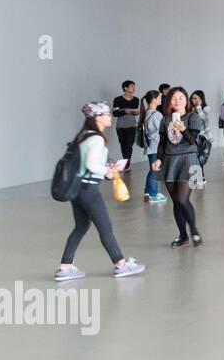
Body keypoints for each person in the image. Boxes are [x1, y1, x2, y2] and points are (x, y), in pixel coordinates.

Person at [55, 102, 146, 281]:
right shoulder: (96, 138)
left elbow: (87, 164)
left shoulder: (83, 135)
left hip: (78, 189)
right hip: (89, 190)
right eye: (106, 114)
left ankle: (65, 267)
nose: (109, 116)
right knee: (106, 228)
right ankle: (120, 264)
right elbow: (91, 165)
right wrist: (108, 171)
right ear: (97, 117)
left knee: (81, 227)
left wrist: (105, 169)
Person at [153, 86, 203, 248]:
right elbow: (162, 143)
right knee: (176, 201)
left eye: (181, 97)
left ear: (186, 100)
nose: (177, 101)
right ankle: (183, 236)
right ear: (169, 101)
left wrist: (183, 129)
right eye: (174, 98)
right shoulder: (165, 120)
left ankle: (194, 230)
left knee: (182, 199)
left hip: (189, 160)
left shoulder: (192, 117)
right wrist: (158, 159)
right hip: (169, 161)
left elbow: (193, 141)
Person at [139, 89, 166, 204]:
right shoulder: (156, 114)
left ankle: (148, 192)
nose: (161, 99)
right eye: (160, 97)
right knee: (155, 170)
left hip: (151, 146)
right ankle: (153, 194)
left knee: (152, 169)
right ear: (154, 99)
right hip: (156, 146)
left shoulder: (147, 112)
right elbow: (163, 129)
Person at [111, 80, 141, 166]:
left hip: (132, 125)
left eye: (134, 86)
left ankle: (126, 165)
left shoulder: (136, 99)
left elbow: (135, 111)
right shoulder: (117, 99)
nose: (134, 88)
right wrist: (125, 111)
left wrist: (136, 112)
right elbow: (115, 113)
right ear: (125, 88)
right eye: (132, 86)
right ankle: (125, 164)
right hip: (120, 126)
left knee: (129, 145)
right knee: (123, 146)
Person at [187, 90, 211, 189]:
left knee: (201, 158)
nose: (194, 100)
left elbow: (203, 117)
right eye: (192, 98)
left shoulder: (206, 108)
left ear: (201, 99)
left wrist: (198, 107)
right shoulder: (190, 109)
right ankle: (199, 178)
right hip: (193, 137)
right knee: (195, 158)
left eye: (196, 98)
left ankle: (200, 177)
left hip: (204, 137)